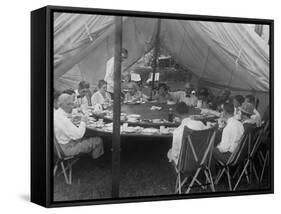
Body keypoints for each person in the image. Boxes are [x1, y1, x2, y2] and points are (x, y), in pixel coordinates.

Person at [54, 94, 104, 158]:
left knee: (88, 135)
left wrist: (73, 119)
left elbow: (66, 125)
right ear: (66, 105)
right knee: (98, 140)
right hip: (68, 148)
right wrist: (83, 121)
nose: (73, 107)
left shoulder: (57, 114)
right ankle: (97, 161)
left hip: (61, 146)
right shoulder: (63, 119)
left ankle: (90, 156)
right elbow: (78, 135)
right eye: (71, 104)